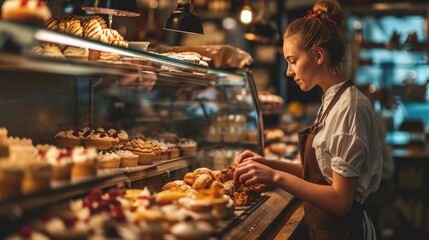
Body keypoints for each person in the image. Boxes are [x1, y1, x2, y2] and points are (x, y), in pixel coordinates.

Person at [233, 0, 383, 239]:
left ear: (319, 55)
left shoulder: (349, 108)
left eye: (292, 60)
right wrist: (268, 163)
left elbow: (340, 200)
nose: (288, 72)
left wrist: (274, 177)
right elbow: (322, 172)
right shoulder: (332, 99)